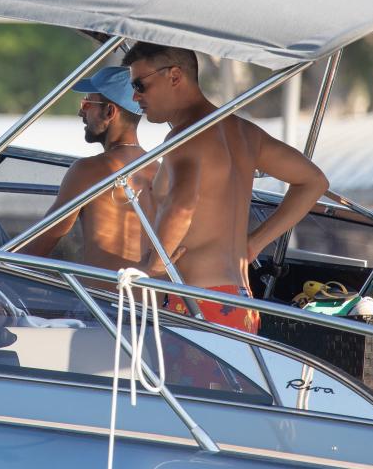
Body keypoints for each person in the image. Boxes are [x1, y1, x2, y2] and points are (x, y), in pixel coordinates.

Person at [122, 43, 329, 333]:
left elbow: (182, 206)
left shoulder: (185, 137)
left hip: (197, 303)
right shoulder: (243, 132)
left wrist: (152, 268)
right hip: (241, 302)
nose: (135, 96)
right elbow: (314, 181)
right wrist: (254, 244)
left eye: (139, 84)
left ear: (174, 76)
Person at [20, 66, 160, 280]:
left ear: (109, 112)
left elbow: (40, 243)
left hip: (102, 306)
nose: (81, 112)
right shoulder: (159, 170)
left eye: (87, 104)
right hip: (153, 308)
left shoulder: (89, 171)